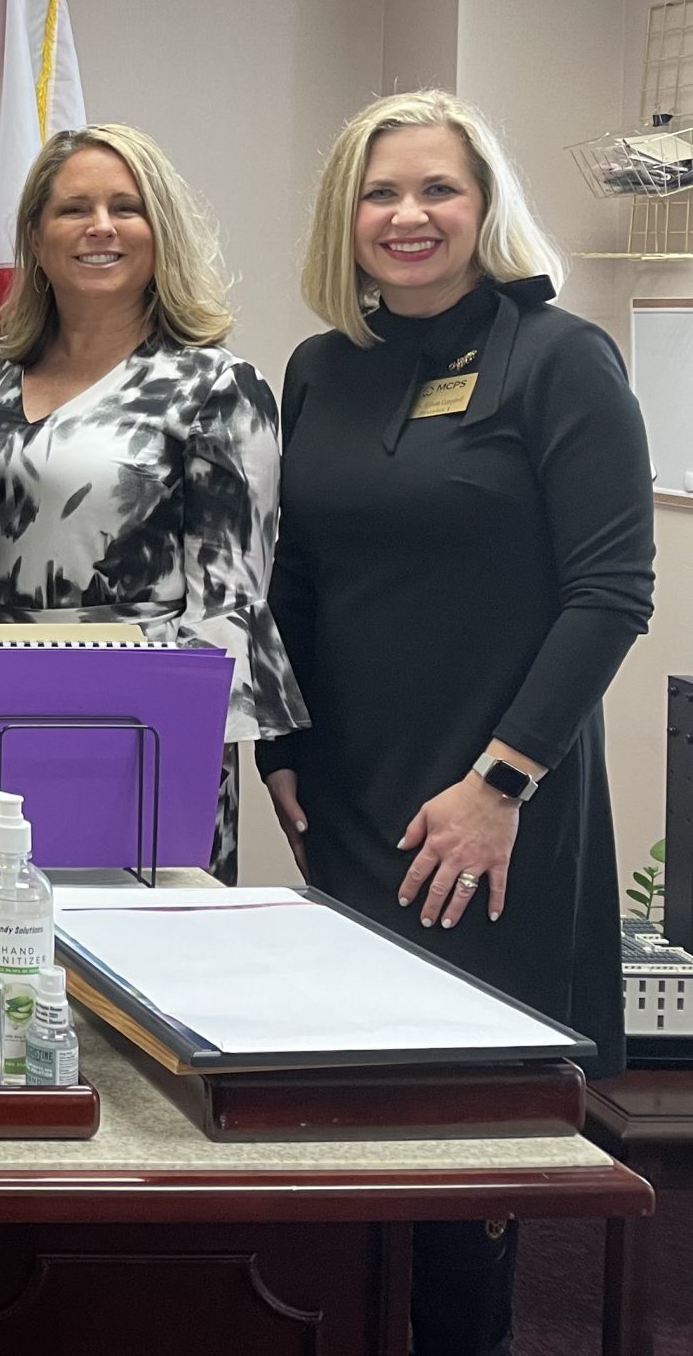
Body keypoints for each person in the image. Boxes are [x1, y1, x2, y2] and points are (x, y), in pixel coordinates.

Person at [264, 89, 654, 1356]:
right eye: (380, 192)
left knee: (469, 1148)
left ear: (484, 205)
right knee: (357, 1128)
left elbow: (610, 593)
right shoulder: (319, 368)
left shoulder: (560, 359)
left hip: (494, 808)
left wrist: (500, 781)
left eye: (438, 188)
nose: (408, 214)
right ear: (346, 215)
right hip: (353, 798)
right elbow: (297, 578)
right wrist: (281, 746)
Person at [0, 124, 305, 877]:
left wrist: (179, 755)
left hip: (139, 722)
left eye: (126, 208)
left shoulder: (215, 384)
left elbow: (229, 603)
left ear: (161, 231)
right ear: (36, 235)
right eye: (74, 209)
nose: (100, 227)